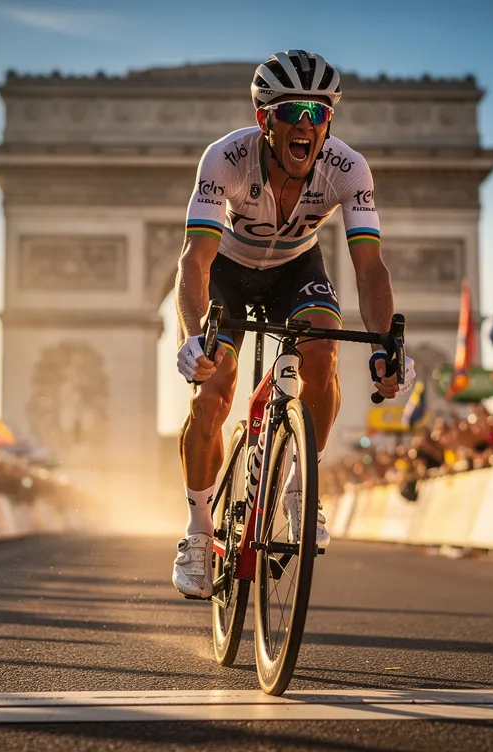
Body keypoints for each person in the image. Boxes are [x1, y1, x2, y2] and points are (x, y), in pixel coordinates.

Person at [171, 50, 414, 598]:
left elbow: (370, 266)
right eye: (292, 111)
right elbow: (195, 260)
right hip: (228, 271)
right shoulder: (224, 158)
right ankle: (198, 529)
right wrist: (192, 335)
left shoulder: (349, 169)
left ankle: (301, 487)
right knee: (213, 388)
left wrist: (387, 347)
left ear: (330, 121)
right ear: (265, 120)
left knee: (323, 354)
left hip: (296, 270)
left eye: (318, 112)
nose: (306, 123)